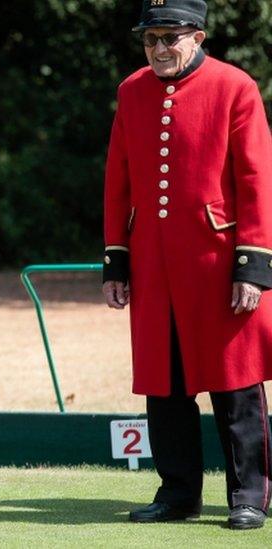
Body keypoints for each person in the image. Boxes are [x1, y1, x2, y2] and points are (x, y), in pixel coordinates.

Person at [103, 0, 272, 531]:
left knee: (236, 385)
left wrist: (252, 264)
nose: (158, 49)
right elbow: (119, 180)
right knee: (165, 388)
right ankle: (178, 493)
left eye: (170, 38)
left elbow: (255, 178)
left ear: (197, 37)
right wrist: (117, 261)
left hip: (219, 264)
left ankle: (250, 494)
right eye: (150, 39)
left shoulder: (235, 86)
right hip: (154, 267)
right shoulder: (131, 91)